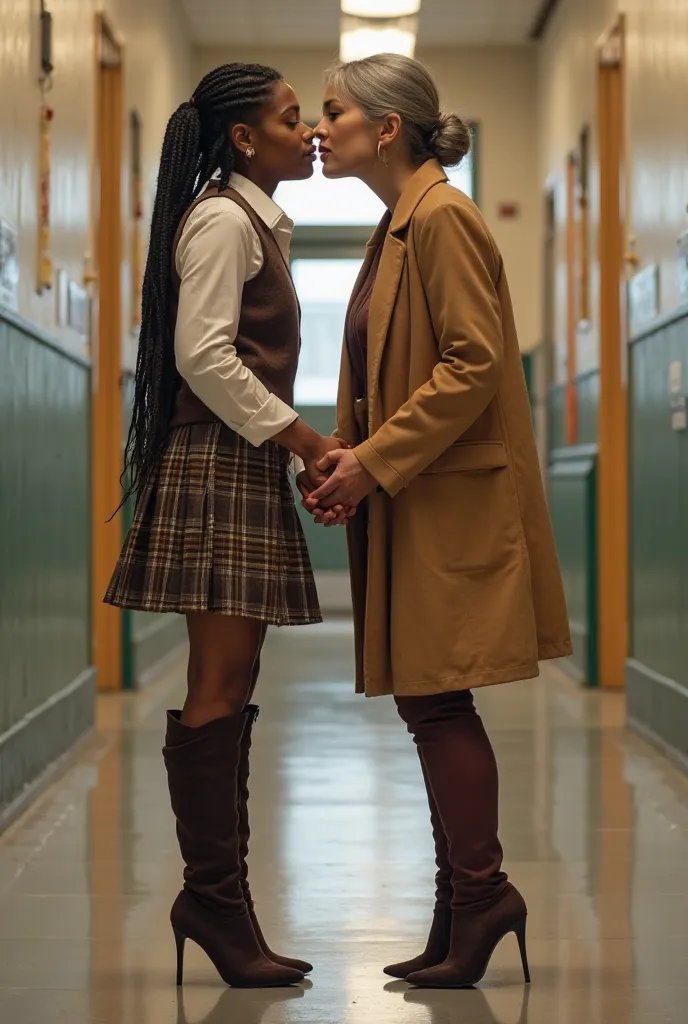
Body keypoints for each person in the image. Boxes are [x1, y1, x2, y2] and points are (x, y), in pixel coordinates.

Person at [300, 53, 572, 989]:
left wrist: (371, 463)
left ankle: (483, 893)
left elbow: (470, 363)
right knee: (427, 696)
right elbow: (384, 370)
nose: (316, 128)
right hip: (417, 490)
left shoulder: (445, 217)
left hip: (449, 494)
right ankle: (462, 904)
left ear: (387, 128)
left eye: (331, 113)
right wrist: (345, 451)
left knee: (436, 696)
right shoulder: (396, 225)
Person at [105, 63, 347, 988]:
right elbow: (202, 356)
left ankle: (220, 900)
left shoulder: (252, 223)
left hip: (235, 461)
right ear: (244, 139)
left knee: (233, 678)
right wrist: (303, 438)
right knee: (219, 679)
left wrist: (290, 444)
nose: (310, 133)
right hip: (217, 462)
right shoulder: (220, 222)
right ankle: (213, 901)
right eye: (294, 121)